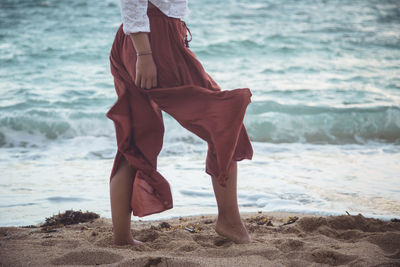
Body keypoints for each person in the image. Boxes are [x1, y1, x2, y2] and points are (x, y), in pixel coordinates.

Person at [107, 0, 254, 246]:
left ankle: (122, 237)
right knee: (224, 120)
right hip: (153, 41)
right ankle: (229, 220)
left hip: (136, 39)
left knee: (136, 137)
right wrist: (144, 54)